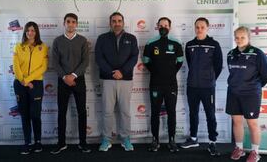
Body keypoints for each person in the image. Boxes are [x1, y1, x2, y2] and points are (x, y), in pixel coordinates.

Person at [95, 12, 139, 152]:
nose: (117, 23)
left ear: (123, 22)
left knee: (125, 111)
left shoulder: (131, 38)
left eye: (119, 20)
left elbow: (134, 57)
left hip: (125, 79)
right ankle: (106, 139)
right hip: (108, 79)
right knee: (107, 111)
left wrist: (122, 72)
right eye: (114, 21)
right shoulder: (102, 38)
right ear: (110, 23)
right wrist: (112, 72)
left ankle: (125, 138)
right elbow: (99, 58)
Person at [226, 26, 267, 162]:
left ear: (248, 38)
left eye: (242, 37)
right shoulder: (231, 54)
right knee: (237, 122)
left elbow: (266, 75)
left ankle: (255, 152)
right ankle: (239, 148)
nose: (239, 40)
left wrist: (253, 87)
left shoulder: (257, 54)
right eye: (237, 37)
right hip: (233, 93)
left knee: (252, 123)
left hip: (251, 94)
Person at [180, 17, 222, 156]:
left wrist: (210, 79)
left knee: (210, 114)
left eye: (202, 27)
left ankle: (212, 142)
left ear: (207, 28)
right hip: (192, 86)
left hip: (207, 87)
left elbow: (218, 65)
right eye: (197, 27)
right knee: (193, 113)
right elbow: (190, 62)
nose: (199, 29)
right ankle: (193, 138)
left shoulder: (214, 44)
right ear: (194, 27)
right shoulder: (190, 45)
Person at [50, 13, 91, 154]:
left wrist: (73, 76)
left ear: (77, 24)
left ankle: (83, 143)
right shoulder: (57, 41)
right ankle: (61, 143)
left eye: (73, 22)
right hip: (63, 81)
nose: (71, 24)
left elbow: (85, 61)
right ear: (64, 23)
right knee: (62, 112)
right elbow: (55, 62)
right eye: (68, 21)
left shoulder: (82, 40)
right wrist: (65, 77)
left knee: (82, 112)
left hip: (78, 80)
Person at [142, 17, 183, 152]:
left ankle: (172, 140)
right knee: (155, 112)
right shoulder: (150, 43)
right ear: (157, 27)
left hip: (171, 84)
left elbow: (180, 62)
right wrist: (156, 72)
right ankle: (155, 140)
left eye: (166, 25)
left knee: (171, 112)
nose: (163, 27)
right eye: (161, 25)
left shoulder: (176, 43)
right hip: (156, 84)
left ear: (169, 27)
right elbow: (146, 61)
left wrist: (170, 73)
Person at [13, 21, 48, 154]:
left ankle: (38, 142)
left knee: (35, 114)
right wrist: (23, 81)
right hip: (20, 84)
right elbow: (15, 66)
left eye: (33, 30)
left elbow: (43, 67)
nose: (30, 33)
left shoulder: (43, 47)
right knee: (25, 115)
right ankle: (27, 142)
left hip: (36, 84)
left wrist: (27, 80)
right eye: (28, 30)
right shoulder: (18, 46)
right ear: (25, 32)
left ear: (36, 32)